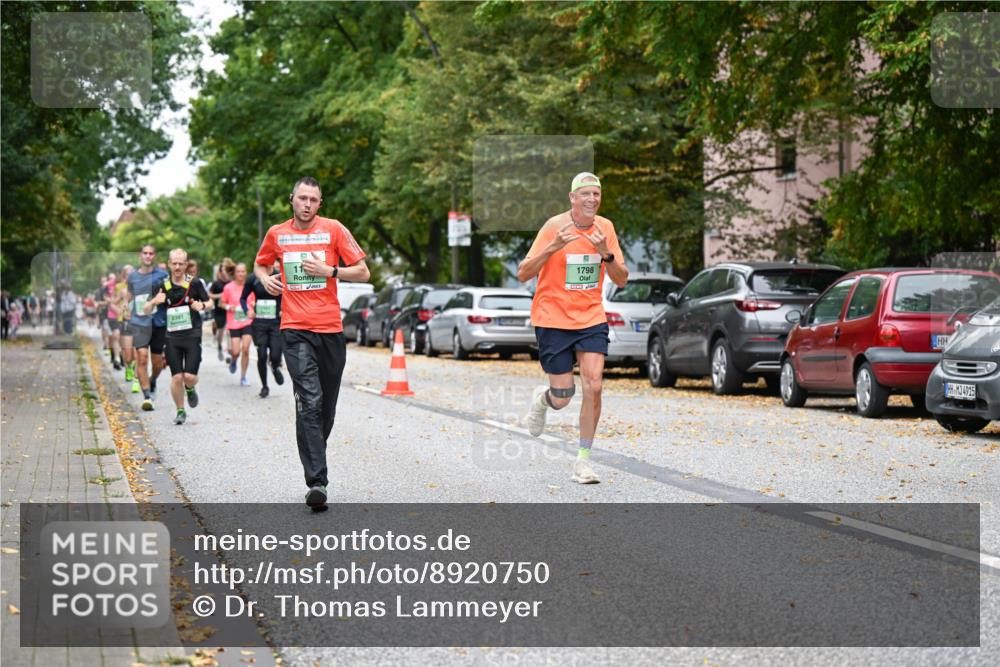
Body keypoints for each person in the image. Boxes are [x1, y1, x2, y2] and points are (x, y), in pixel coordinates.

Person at [253, 176, 369, 510]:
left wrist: (329, 270)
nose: (307, 204)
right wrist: (266, 279)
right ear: (291, 199)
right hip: (295, 328)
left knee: (324, 408)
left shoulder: (334, 229)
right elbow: (260, 264)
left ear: (320, 204)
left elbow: (362, 272)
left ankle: (315, 447)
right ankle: (317, 482)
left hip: (330, 330)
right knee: (311, 400)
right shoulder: (277, 233)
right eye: (302, 198)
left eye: (313, 200)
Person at [518, 172, 628, 485]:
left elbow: (621, 278)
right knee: (563, 396)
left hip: (591, 317)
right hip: (552, 318)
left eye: (596, 194)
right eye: (586, 194)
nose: (592, 199)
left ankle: (583, 462)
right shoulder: (554, 227)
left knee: (594, 385)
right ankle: (544, 400)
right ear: (572, 198)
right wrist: (552, 246)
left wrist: (606, 253)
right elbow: (524, 272)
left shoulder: (605, 228)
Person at [146, 249, 212, 425]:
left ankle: (190, 388)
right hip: (171, 337)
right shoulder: (162, 285)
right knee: (176, 377)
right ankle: (180, 410)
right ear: (169, 264)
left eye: (180, 263)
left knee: (189, 377)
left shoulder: (195, 283)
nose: (177, 267)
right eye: (174, 263)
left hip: (192, 335)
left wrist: (202, 305)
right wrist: (153, 302)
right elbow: (144, 309)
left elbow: (210, 302)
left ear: (186, 264)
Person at [127, 245, 168, 410]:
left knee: (157, 363)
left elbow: (170, 294)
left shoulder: (163, 275)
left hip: (157, 322)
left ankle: (152, 381)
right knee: (142, 357)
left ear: (154, 256)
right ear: (140, 255)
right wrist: (126, 307)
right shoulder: (132, 277)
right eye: (145, 253)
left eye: (151, 253)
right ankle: (147, 396)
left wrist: (161, 299)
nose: (148, 256)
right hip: (139, 323)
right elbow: (130, 296)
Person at [241, 260, 285, 398]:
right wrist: (247, 311)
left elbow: (288, 296)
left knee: (276, 355)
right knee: (261, 354)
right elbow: (243, 298)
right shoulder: (253, 279)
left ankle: (274, 366)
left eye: (270, 264)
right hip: (259, 322)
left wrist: (284, 310)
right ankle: (264, 386)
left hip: (276, 322)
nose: (268, 266)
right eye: (264, 264)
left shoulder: (281, 276)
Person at [222, 263, 254, 385]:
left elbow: (254, 301)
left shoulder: (250, 287)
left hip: (247, 321)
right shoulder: (228, 288)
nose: (240, 274)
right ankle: (234, 360)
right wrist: (230, 307)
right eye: (238, 272)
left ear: (246, 273)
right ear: (234, 273)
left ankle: (243, 377)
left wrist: (253, 306)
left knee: (245, 349)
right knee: (236, 351)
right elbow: (221, 303)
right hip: (234, 323)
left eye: (243, 271)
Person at [208, 259, 233, 362]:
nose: (224, 271)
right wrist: (219, 296)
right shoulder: (216, 283)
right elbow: (209, 295)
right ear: (220, 271)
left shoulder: (231, 282)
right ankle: (219, 346)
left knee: (229, 331)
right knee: (221, 331)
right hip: (219, 311)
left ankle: (229, 352)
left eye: (225, 269)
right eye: (222, 269)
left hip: (229, 310)